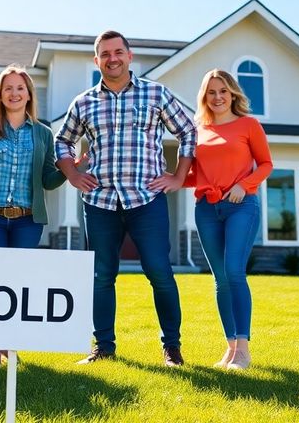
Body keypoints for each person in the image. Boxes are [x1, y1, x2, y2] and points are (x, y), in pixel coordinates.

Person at [55, 30, 197, 367]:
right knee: (102, 275)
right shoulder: (84, 102)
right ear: (96, 61)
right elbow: (62, 141)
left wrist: (179, 176)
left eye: (118, 52)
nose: (112, 58)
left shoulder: (156, 94)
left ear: (130, 56)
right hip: (100, 202)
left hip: (146, 200)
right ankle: (103, 347)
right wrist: (73, 175)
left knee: (160, 272)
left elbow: (188, 131)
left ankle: (172, 348)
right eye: (105, 54)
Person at [0, 63, 67, 367]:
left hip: (26, 220)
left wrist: (66, 168)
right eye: (8, 88)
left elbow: (47, 179)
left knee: (17, 284)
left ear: (29, 94)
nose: (14, 93)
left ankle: (11, 344)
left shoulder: (43, 134)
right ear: (0, 94)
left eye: (20, 88)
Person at [186, 69, 273, 370]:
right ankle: (230, 347)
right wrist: (166, 180)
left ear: (233, 93)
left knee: (234, 271)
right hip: (207, 209)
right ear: (204, 97)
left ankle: (244, 350)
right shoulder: (199, 130)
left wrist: (244, 186)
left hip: (241, 205)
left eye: (223, 91)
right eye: (212, 92)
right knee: (220, 278)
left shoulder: (248, 125)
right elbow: (195, 174)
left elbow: (265, 164)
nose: (218, 97)